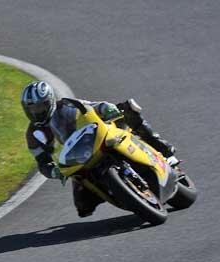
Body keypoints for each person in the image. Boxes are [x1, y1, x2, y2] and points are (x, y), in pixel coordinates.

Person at [20, 80, 179, 217]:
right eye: (32, 109)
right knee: (83, 207)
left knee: (128, 110)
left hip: (97, 136)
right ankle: (121, 193)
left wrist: (106, 109)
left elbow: (91, 106)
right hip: (77, 157)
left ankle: (161, 147)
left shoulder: (67, 104)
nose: (36, 112)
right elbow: (42, 162)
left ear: (50, 101)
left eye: (40, 107)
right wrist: (53, 171)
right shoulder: (33, 134)